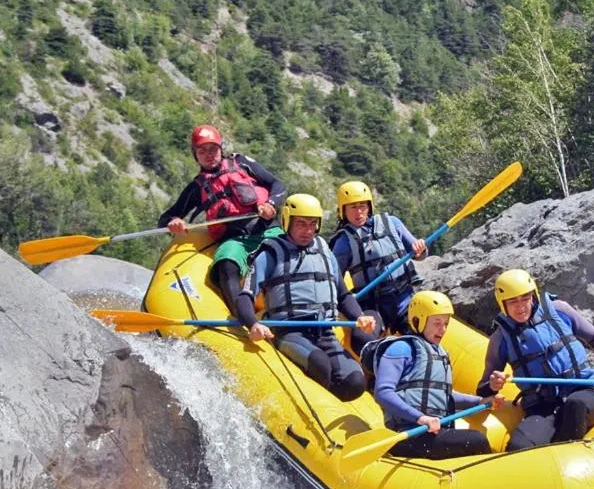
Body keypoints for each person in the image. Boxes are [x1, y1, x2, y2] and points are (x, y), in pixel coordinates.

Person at [477, 269, 594, 452]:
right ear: (503, 304)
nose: (521, 306)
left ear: (533, 295)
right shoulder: (500, 338)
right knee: (519, 445)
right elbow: (482, 388)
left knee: (576, 405)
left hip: (581, 393)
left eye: (525, 298)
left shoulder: (559, 310)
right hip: (542, 407)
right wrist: (493, 386)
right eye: (513, 301)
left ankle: (566, 457)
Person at [244, 194, 377, 402]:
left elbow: (342, 294)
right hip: (288, 331)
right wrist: (252, 323)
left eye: (313, 224)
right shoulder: (270, 253)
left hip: (324, 331)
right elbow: (245, 295)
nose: (308, 231)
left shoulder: (324, 250)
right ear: (287, 221)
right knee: (320, 364)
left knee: (355, 382)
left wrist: (359, 316)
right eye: (301, 224)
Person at [157, 125, 287, 329]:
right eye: (202, 151)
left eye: (212, 149)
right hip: (235, 240)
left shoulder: (241, 163)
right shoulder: (197, 187)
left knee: (288, 256)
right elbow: (166, 218)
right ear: (195, 155)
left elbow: (278, 185)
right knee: (225, 265)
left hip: (266, 229)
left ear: (221, 148)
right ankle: (245, 320)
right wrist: (174, 222)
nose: (209, 155)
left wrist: (271, 204)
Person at [363, 291, 503, 459]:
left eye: (446, 323)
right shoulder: (401, 348)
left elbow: (444, 395)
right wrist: (420, 418)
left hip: (434, 433)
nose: (442, 330)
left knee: (470, 441)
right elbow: (383, 392)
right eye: (437, 323)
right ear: (418, 321)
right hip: (409, 434)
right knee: (476, 440)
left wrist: (480, 401)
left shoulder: (441, 353)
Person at [328, 181, 427, 335]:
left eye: (362, 206)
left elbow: (419, 254)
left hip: (405, 298)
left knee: (420, 334)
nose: (359, 212)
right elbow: (334, 280)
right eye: (353, 207)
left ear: (369, 206)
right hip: (373, 305)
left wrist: (421, 249)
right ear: (343, 210)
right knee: (363, 337)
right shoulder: (343, 242)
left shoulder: (392, 223)